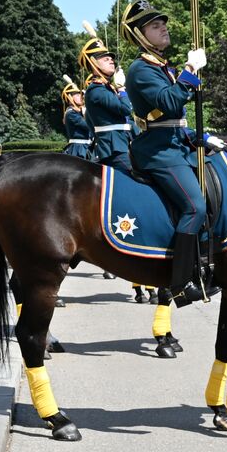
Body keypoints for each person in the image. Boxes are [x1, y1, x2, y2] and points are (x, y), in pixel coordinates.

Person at [119, 0, 212, 306]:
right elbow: (170, 102)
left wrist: (204, 137)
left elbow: (174, 119)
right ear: (138, 35)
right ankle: (181, 284)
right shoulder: (140, 70)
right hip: (157, 152)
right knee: (195, 207)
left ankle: (204, 264)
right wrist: (189, 70)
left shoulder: (162, 66)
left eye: (162, 24)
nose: (163, 29)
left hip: (175, 144)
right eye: (154, 26)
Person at [79, 32, 163, 324]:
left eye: (111, 56)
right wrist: (125, 89)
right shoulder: (95, 90)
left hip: (125, 142)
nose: (111, 59)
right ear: (92, 64)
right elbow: (125, 109)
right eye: (104, 58)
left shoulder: (105, 87)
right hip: (112, 148)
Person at [61, 84, 93, 160]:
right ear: (70, 97)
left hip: (86, 147)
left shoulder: (80, 112)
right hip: (78, 149)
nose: (81, 97)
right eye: (78, 95)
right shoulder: (71, 113)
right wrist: (86, 114)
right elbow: (88, 126)